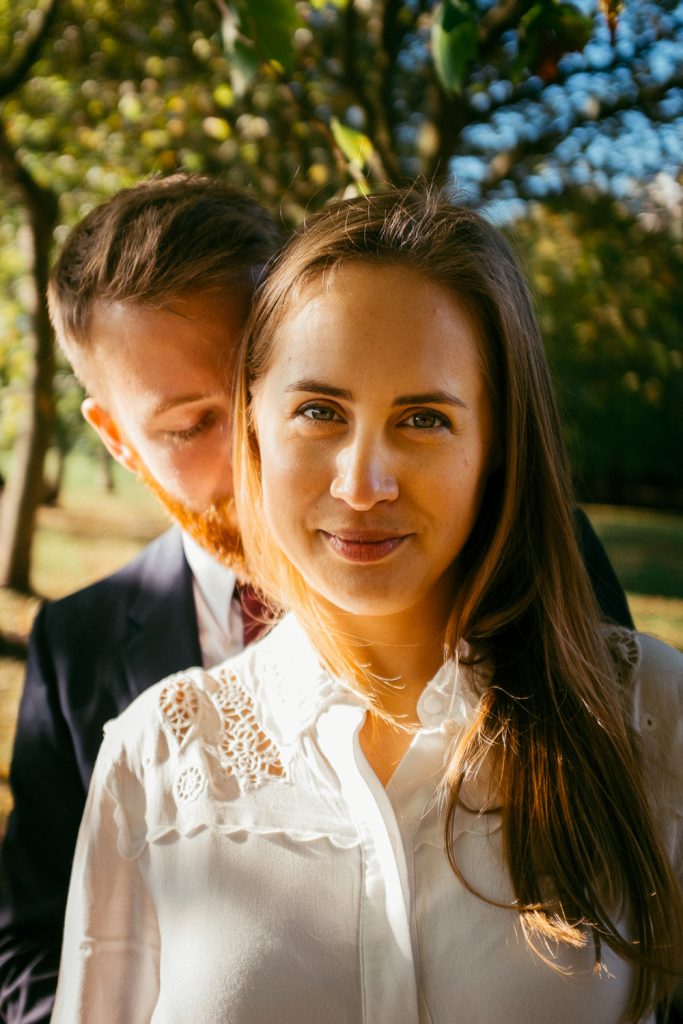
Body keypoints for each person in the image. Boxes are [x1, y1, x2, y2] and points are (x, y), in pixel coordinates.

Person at [51, 188, 681, 1024]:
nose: (361, 485)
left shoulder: (652, 717)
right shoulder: (147, 760)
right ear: (259, 427)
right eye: (318, 409)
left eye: (423, 418)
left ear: (498, 442)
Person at [0, 175, 281, 1023]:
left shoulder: (500, 559)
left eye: (269, 386)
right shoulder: (74, 645)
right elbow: (28, 947)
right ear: (118, 439)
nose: (255, 455)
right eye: (191, 426)